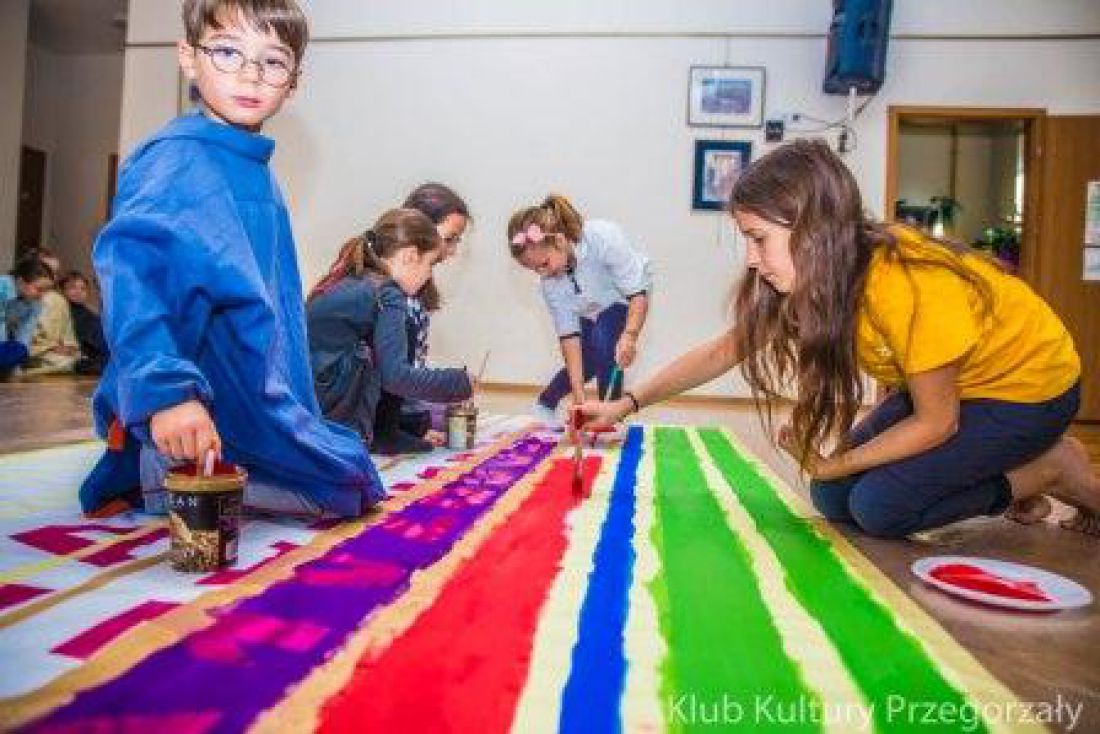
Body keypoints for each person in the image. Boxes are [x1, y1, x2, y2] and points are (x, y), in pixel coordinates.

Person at [578, 139, 1099, 538]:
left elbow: (937, 422)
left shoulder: (904, 283)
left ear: (814, 229)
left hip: (1030, 392)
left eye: (759, 239)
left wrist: (840, 460)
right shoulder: (817, 277)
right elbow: (723, 350)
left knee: (881, 507)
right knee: (832, 497)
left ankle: (1050, 469)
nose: (752, 260)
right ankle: (1009, 472)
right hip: (961, 386)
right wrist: (625, 404)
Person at [79, 0, 383, 518]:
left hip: (247, 383)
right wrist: (166, 394)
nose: (250, 74)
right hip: (194, 393)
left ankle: (190, 467)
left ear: (294, 81)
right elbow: (135, 282)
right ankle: (156, 470)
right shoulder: (176, 158)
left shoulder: (252, 166)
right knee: (339, 489)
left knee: (350, 469)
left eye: (272, 61)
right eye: (227, 52)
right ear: (188, 57)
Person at [307, 208, 474, 455]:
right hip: (332, 421)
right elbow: (396, 377)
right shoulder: (388, 293)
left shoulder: (353, 279)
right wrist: (460, 382)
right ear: (410, 256)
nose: (429, 275)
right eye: (430, 264)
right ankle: (383, 434)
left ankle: (385, 431)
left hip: (308, 407)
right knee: (406, 327)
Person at [507, 194, 652, 426]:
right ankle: (545, 403)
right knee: (588, 360)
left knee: (606, 343)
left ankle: (611, 415)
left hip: (621, 296)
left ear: (560, 241)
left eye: (544, 264)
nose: (542, 274)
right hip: (586, 306)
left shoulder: (603, 237)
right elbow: (569, 338)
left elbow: (637, 293)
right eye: (535, 269)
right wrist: (579, 398)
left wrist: (630, 335)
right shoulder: (550, 282)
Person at [396, 182, 471, 436]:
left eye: (457, 241)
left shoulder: (418, 289)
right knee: (442, 417)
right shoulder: (392, 292)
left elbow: (414, 362)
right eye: (449, 239)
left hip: (402, 401)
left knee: (450, 412)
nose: (452, 251)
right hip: (383, 410)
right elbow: (393, 374)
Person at [24, 248, 80, 375]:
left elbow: (68, 334)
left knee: (76, 360)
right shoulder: (19, 296)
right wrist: (50, 347)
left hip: (55, 356)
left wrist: (69, 348)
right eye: (48, 271)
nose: (53, 277)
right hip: (34, 354)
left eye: (55, 273)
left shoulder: (59, 300)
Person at [0, 258, 55, 377]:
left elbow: (25, 333)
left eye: (46, 291)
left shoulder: (37, 303)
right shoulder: (2, 287)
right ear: (21, 282)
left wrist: (16, 360)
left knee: (20, 350)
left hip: (4, 346)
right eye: (39, 289)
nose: (42, 295)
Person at [59, 271, 109, 375]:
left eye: (83, 289)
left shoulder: (91, 316)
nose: (78, 292)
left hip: (92, 356)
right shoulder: (59, 312)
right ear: (62, 290)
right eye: (72, 288)